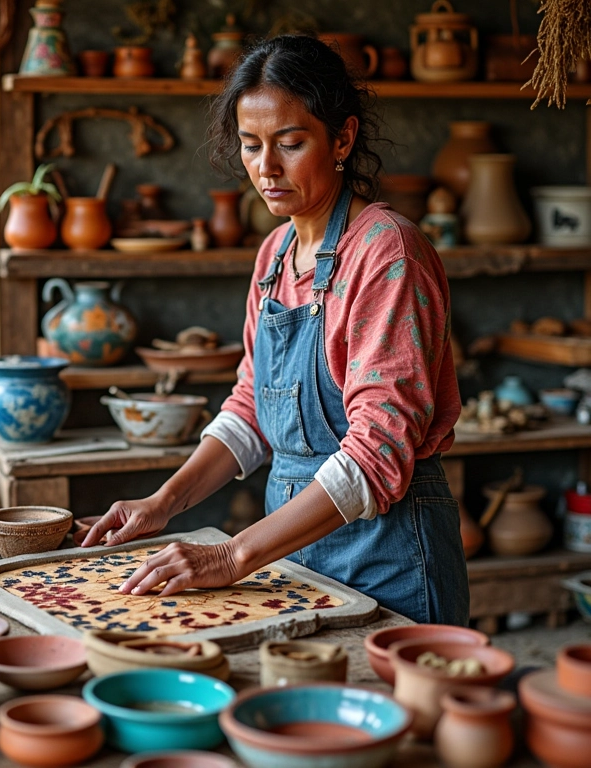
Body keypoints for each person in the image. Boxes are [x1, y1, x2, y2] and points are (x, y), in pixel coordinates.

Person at [82, 34, 469, 626]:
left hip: (388, 556)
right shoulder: (275, 253)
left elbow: (379, 449)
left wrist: (233, 554)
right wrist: (164, 502)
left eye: (291, 143)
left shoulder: (387, 252)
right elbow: (252, 407)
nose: (266, 168)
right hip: (292, 552)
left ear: (343, 137)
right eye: (251, 145)